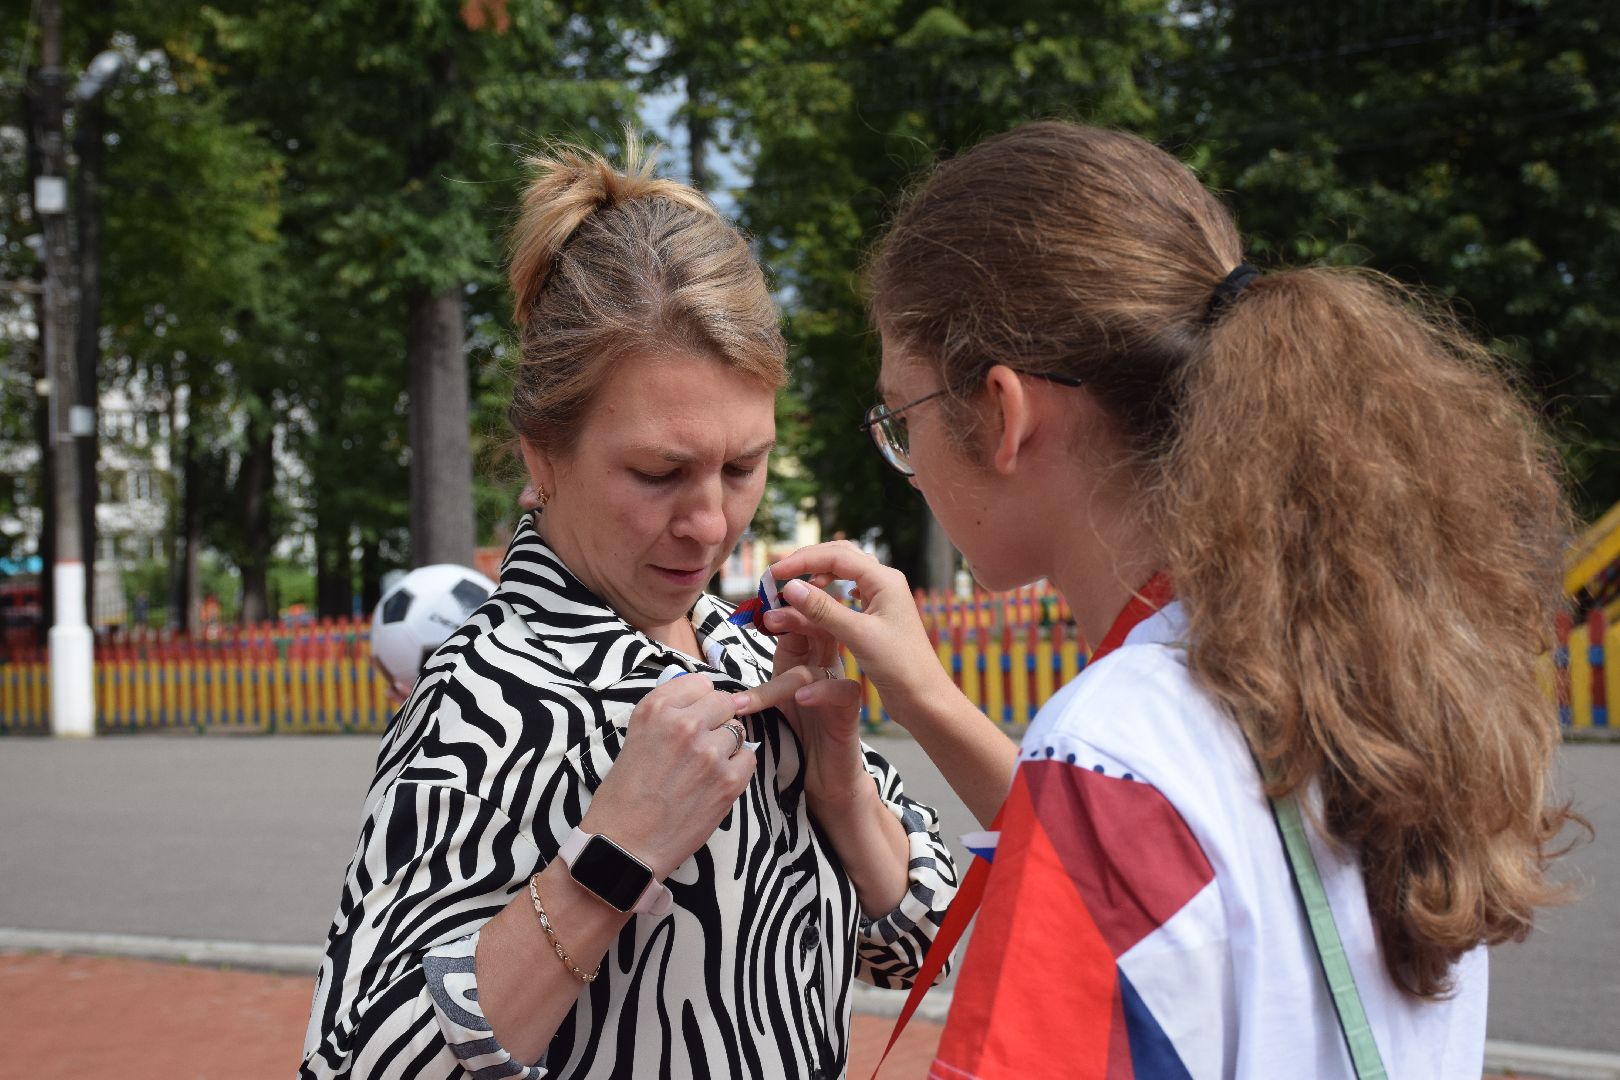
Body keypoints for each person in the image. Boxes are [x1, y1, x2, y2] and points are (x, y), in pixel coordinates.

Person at [761, 121, 1581, 1078]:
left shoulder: (1114, 750)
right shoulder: (1333, 666)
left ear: (1005, 412)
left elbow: (1118, 828)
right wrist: (931, 698)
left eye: (901, 420)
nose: (905, 462)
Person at [299, 138, 957, 1080]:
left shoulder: (744, 654)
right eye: (658, 473)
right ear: (541, 454)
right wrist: (608, 861)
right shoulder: (487, 697)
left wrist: (841, 786)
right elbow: (353, 1064)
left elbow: (925, 942)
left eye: (743, 466)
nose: (709, 522)